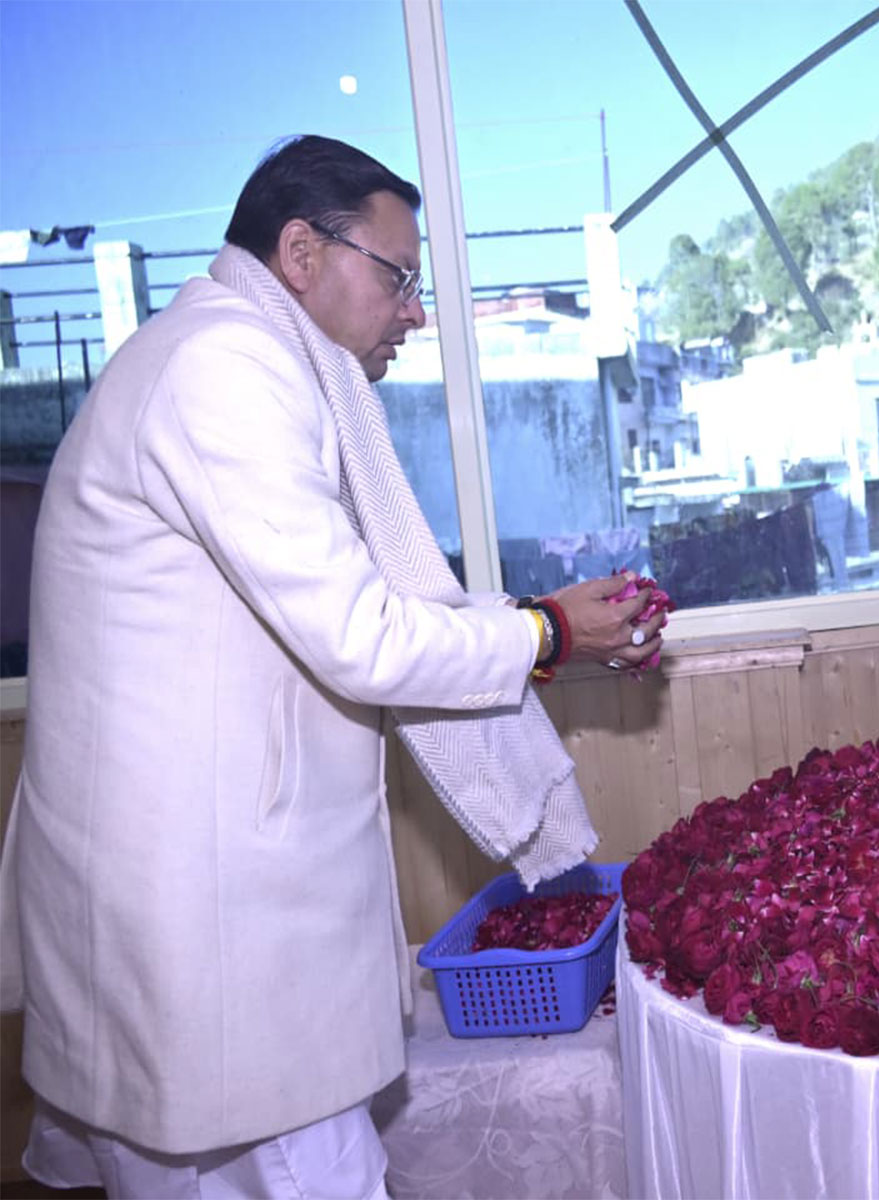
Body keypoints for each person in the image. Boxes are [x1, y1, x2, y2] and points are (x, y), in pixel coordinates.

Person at [0, 134, 664, 1198]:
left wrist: (539, 628)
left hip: (207, 899)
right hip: (205, 923)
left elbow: (364, 606)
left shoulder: (241, 357)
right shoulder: (224, 368)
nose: (413, 311)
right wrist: (546, 633)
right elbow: (360, 635)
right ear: (301, 252)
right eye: (399, 278)